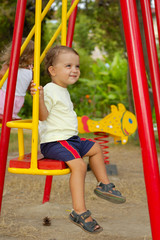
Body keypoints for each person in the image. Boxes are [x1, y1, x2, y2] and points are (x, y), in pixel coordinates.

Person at [30, 45, 126, 234]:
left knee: (95, 148)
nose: (74, 70)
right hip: (55, 142)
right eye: (68, 66)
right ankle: (79, 212)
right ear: (52, 70)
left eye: (77, 66)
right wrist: (39, 98)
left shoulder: (62, 89)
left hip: (69, 140)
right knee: (80, 166)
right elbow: (42, 116)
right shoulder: (49, 89)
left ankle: (104, 185)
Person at [0, 38, 34, 119]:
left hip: (12, 98)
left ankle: (7, 115)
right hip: (12, 98)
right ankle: (7, 115)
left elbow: (1, 75)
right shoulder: (10, 66)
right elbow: (1, 76)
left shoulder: (29, 70)